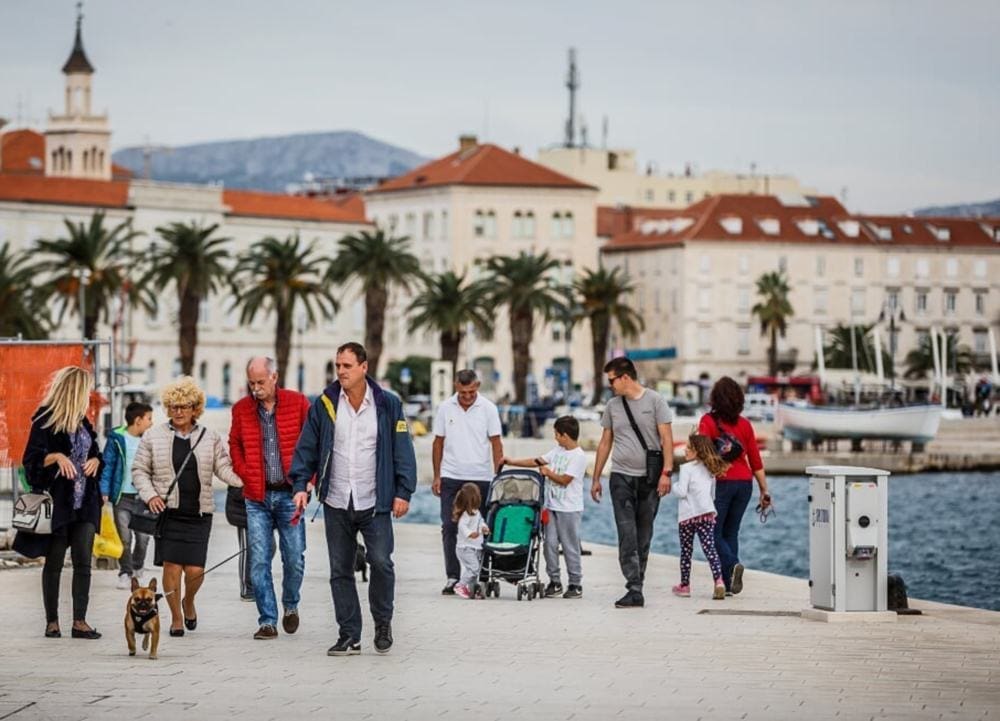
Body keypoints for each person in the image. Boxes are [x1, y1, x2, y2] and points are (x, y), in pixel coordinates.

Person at [289, 342, 417, 656]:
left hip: (375, 501)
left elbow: (402, 449)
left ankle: (383, 623)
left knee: (381, 563)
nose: (341, 372)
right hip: (336, 500)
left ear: (364, 367)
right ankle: (349, 634)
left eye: (347, 366)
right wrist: (300, 485)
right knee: (340, 570)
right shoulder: (325, 404)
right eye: (338, 366)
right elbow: (308, 446)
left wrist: (404, 491)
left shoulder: (388, 404)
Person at [132, 376, 243, 637]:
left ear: (196, 408)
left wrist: (247, 483)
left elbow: (223, 468)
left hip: (198, 514)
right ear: (167, 408)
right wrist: (150, 495)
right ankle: (176, 618)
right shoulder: (153, 436)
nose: (178, 411)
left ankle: (189, 601)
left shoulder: (210, 437)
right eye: (173, 406)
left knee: (195, 570)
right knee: (171, 567)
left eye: (184, 406)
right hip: (168, 514)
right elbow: (139, 470)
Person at [14, 366, 104, 639]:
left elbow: (97, 453)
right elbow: (30, 465)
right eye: (86, 389)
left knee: (83, 563)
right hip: (58, 504)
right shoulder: (45, 419)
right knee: (53, 563)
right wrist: (55, 457)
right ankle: (52, 622)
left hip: (86, 502)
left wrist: (96, 461)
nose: (89, 395)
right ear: (75, 390)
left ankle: (80, 621)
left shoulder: (84, 421)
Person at [229, 356, 312, 640]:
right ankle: (267, 620)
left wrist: (308, 482)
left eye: (260, 382)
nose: (255, 388)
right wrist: (244, 472)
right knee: (259, 560)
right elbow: (235, 444)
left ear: (274, 377)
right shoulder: (241, 409)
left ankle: (290, 605)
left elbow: (312, 443)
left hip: (291, 494)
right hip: (257, 497)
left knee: (294, 558)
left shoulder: (299, 402)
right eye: (251, 383)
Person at [590, 357, 674, 609]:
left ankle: (638, 584)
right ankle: (634, 588)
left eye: (612, 380)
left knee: (643, 535)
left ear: (625, 377)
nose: (610, 386)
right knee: (626, 535)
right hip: (620, 478)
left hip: (649, 479)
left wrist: (666, 473)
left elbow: (667, 439)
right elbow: (606, 442)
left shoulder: (656, 401)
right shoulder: (613, 406)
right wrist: (596, 477)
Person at [431, 369, 503, 595]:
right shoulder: (445, 408)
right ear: (455, 387)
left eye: (471, 392)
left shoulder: (489, 409)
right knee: (449, 526)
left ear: (478, 386)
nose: (468, 396)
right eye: (463, 392)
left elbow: (496, 443)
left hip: (481, 477)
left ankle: (479, 574)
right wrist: (436, 476)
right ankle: (453, 577)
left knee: (481, 528)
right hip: (451, 476)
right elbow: (438, 443)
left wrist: (498, 476)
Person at [698, 376, 770, 596]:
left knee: (712, 533)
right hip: (745, 484)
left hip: (721, 483)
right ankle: (729, 584)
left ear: (715, 399)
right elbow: (756, 461)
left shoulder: (708, 422)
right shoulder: (745, 425)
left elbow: (703, 454)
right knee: (731, 532)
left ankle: (732, 564)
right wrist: (764, 491)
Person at [504, 415, 587, 599]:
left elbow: (565, 480)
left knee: (569, 546)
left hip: (569, 508)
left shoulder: (579, 456)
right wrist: (511, 462)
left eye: (557, 434)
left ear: (565, 435)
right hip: (551, 506)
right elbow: (537, 461)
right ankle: (554, 581)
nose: (555, 438)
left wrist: (548, 473)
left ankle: (575, 583)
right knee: (549, 544)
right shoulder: (557, 450)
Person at [99, 401, 154, 590]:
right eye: (149, 419)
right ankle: (125, 573)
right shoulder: (117, 438)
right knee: (124, 538)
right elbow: (107, 465)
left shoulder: (150, 439)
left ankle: (138, 569)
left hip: (144, 498)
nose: (151, 423)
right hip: (122, 497)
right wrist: (104, 490)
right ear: (138, 420)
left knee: (144, 538)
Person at [672, 434, 728, 601]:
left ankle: (685, 586)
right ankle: (719, 581)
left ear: (697, 451)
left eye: (689, 448)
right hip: (706, 513)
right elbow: (712, 494)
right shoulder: (710, 469)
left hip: (688, 515)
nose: (685, 450)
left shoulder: (686, 468)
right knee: (709, 548)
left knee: (686, 551)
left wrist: (673, 486)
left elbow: (681, 491)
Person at [451, 483, 489, 599]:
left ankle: (472, 590)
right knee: (474, 568)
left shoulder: (476, 512)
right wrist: (469, 534)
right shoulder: (466, 515)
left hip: (475, 546)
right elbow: (462, 527)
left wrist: (484, 527)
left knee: (473, 570)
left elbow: (480, 522)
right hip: (466, 547)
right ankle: (460, 585)